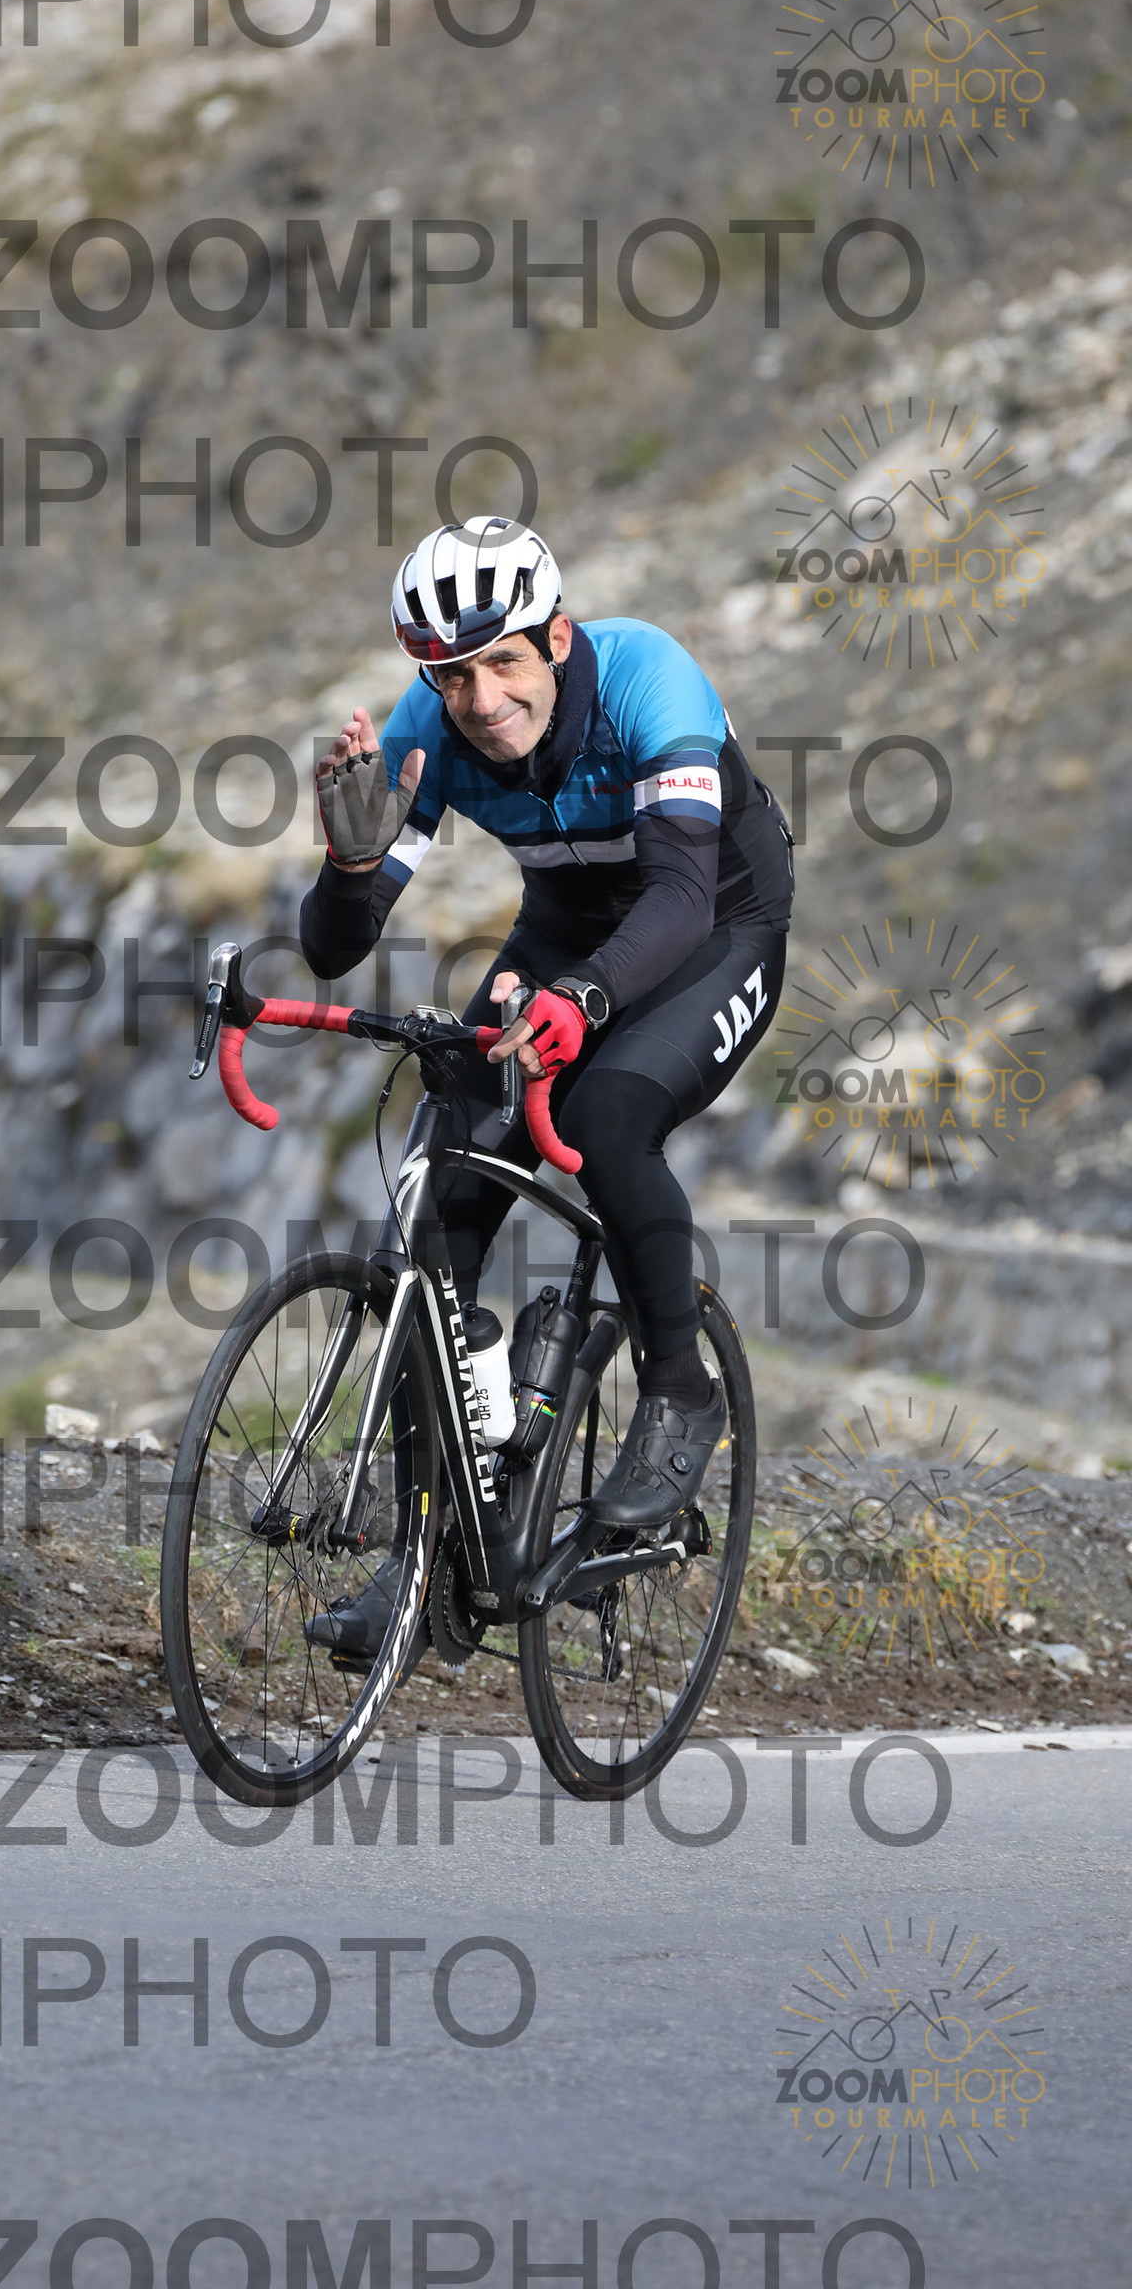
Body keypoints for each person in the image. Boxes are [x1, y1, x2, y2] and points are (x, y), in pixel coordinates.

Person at [299, 517, 793, 1649]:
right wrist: (350, 863)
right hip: (565, 934)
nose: (480, 700)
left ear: (557, 639)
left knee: (607, 1113)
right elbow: (335, 948)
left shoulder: (646, 677)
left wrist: (585, 1003)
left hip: (715, 927)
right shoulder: (427, 729)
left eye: (504, 663)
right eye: (452, 675)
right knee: (436, 1202)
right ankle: (427, 1553)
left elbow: (679, 896)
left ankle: (679, 1392)